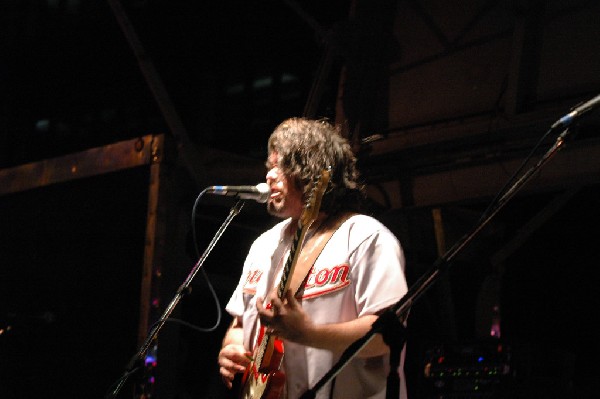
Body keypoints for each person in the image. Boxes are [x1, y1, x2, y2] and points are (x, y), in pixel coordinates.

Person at [217, 117, 409, 399]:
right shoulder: (262, 246)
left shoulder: (365, 237)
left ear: (312, 172)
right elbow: (239, 325)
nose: (269, 175)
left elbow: (386, 333)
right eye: (270, 167)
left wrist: (308, 334)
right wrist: (231, 350)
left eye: (281, 166)